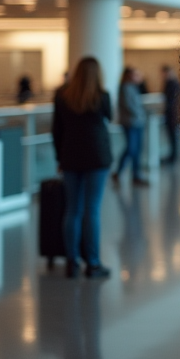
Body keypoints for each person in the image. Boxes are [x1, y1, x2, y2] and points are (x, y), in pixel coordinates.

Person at [52, 56, 113, 279]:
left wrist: (59, 157)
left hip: (70, 157)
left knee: (73, 210)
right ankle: (93, 264)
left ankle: (72, 262)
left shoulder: (62, 96)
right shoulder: (102, 96)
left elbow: (56, 130)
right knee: (92, 210)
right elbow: (109, 117)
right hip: (97, 157)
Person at [113, 67, 148, 186]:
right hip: (130, 123)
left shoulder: (133, 87)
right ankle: (118, 172)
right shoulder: (124, 88)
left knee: (137, 150)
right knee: (131, 148)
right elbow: (129, 105)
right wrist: (141, 114)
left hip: (137, 122)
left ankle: (136, 175)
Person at [161, 65, 180, 164]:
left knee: (173, 137)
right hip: (171, 114)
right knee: (171, 137)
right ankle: (173, 156)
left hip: (173, 115)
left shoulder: (172, 84)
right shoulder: (169, 83)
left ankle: (174, 157)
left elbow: (172, 101)